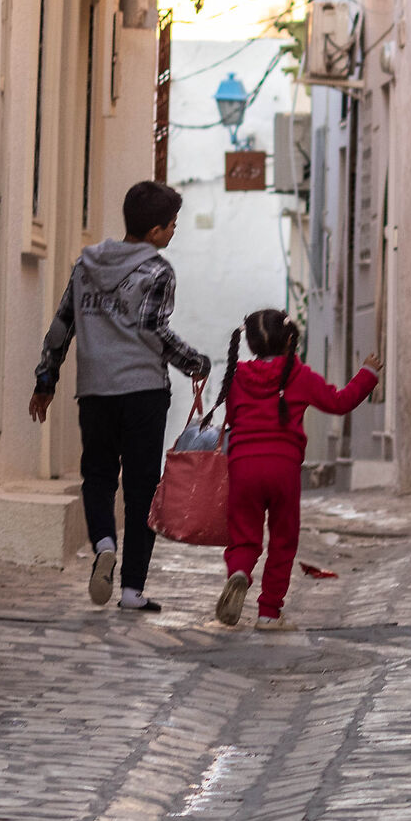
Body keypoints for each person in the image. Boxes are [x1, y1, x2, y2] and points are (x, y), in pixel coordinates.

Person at [30, 179, 212, 612]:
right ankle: (132, 590)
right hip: (144, 391)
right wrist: (194, 362)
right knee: (141, 487)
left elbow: (62, 325)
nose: (173, 233)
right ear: (154, 232)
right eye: (172, 225)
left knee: (96, 476)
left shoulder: (84, 265)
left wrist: (45, 380)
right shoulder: (157, 270)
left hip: (95, 390)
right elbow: (152, 329)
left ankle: (104, 545)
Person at [211, 310, 379, 629]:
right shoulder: (299, 376)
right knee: (283, 540)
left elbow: (232, 417)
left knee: (244, 536)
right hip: (283, 468)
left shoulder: (236, 376)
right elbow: (339, 402)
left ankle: (239, 572)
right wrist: (367, 374)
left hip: (243, 466)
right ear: (290, 341)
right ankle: (268, 613)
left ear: (249, 344)